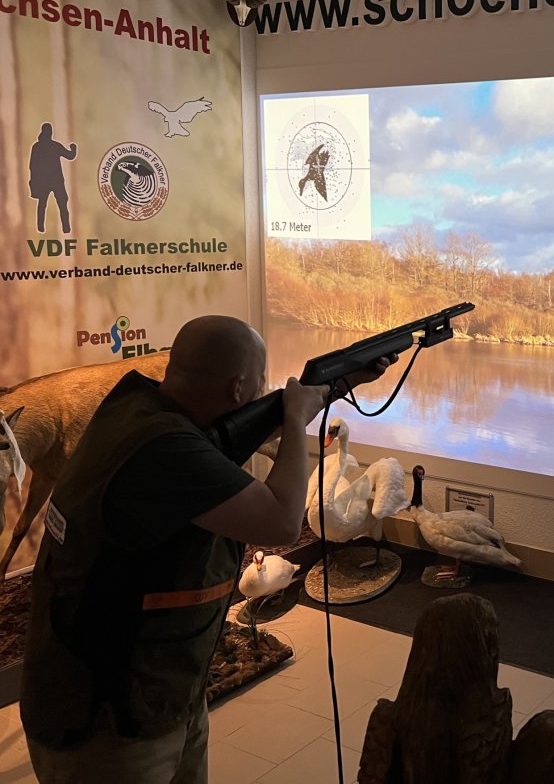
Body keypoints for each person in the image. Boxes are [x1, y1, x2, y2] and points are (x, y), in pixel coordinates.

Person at [19, 315, 395, 783]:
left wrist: (340, 383)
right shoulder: (164, 450)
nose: (264, 393)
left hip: (158, 691)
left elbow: (232, 433)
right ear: (238, 387)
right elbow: (281, 522)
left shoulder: (141, 410)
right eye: (260, 383)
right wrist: (295, 417)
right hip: (106, 721)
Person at [28, 122, 77, 235]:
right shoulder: (55, 146)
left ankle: (41, 227)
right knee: (61, 204)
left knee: (43, 204)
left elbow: (32, 166)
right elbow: (70, 155)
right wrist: (73, 148)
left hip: (45, 181)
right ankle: (66, 227)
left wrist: (34, 181)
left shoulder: (37, 147)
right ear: (49, 132)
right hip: (56, 181)